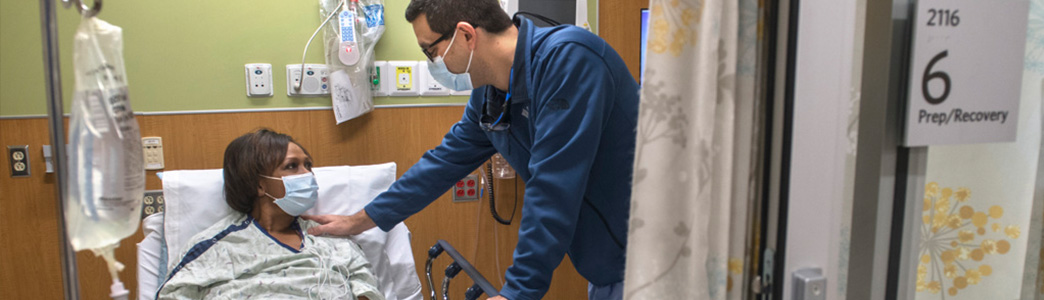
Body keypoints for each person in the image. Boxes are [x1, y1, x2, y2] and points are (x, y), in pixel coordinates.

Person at [305, 0, 639, 299]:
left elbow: (553, 187)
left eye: (430, 51)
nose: (432, 62)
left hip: (651, 253)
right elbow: (442, 163)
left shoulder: (570, 60)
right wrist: (362, 220)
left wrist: (518, 292)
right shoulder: (489, 94)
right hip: (604, 263)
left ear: (466, 35)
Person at [157, 129, 384, 300]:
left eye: (308, 165)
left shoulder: (333, 242)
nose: (308, 174)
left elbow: (366, 292)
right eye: (292, 166)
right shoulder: (215, 246)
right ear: (259, 185)